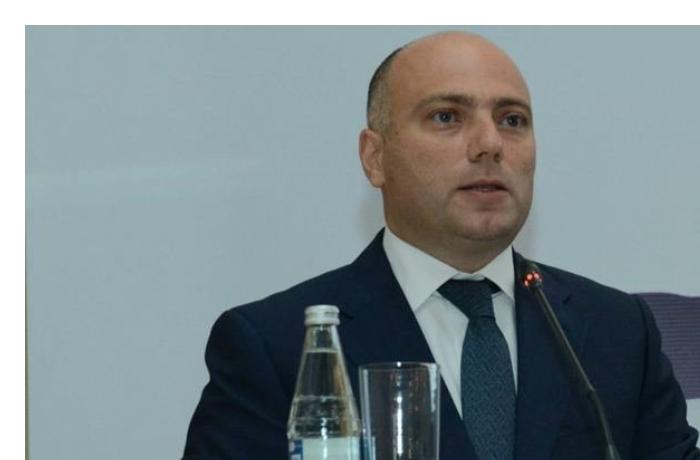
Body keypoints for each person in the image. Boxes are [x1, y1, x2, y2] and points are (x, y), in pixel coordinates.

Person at [182, 31, 699, 459]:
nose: (490, 144)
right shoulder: (276, 347)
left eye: (512, 120)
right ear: (375, 158)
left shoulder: (617, 331)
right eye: (447, 116)